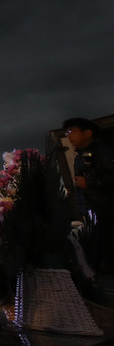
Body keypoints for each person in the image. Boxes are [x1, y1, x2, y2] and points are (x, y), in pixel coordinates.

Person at [64, 117, 114, 273]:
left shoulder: (103, 153)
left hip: (108, 211)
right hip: (93, 213)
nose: (69, 136)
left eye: (72, 131)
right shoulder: (80, 157)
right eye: (67, 133)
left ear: (88, 133)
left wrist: (90, 183)